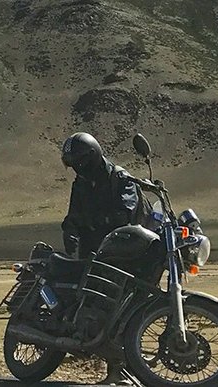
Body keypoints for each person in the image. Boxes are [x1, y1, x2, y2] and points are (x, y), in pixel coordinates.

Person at [59, 132, 147, 385]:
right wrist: (70, 229)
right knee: (94, 302)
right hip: (93, 249)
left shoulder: (120, 178)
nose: (75, 167)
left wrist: (97, 223)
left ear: (91, 157)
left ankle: (118, 369)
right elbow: (74, 213)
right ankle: (100, 356)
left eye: (78, 161)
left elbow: (126, 214)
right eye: (72, 162)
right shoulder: (81, 182)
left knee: (118, 304)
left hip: (122, 250)